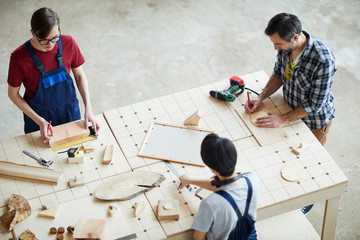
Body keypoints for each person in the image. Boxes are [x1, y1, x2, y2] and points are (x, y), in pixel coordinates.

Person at [7, 7, 100, 143]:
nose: (51, 45)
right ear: (33, 33)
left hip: (69, 113)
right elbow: (13, 95)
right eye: (45, 40)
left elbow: (79, 76)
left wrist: (88, 109)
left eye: (55, 37)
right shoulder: (19, 58)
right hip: (38, 119)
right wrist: (40, 121)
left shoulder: (68, 43)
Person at [245, 13, 336, 146]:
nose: (275, 48)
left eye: (278, 43)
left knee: (307, 158)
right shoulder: (287, 47)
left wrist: (282, 119)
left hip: (313, 122)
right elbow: (279, 74)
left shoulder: (323, 61)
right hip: (288, 109)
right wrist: (261, 97)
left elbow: (315, 104)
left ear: (295, 37)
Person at [179, 133, 259, 240]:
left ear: (212, 169)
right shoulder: (251, 178)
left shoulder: (210, 203)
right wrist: (190, 181)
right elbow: (225, 187)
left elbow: (198, 238)